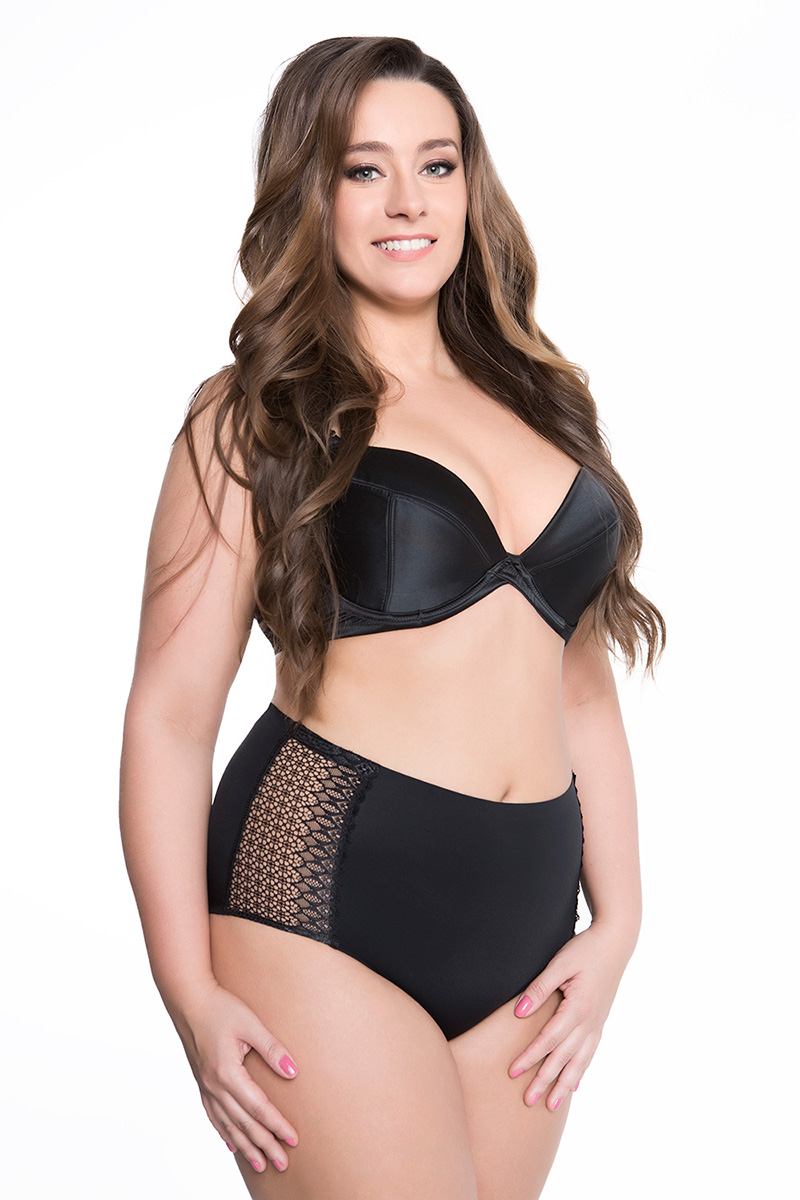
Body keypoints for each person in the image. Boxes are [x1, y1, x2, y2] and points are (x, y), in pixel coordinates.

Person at [119, 35, 665, 1200]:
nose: (407, 201)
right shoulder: (253, 416)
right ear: (308, 192)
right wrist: (188, 992)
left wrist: (618, 920)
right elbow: (169, 716)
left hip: (527, 919)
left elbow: (576, 685)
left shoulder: (542, 401)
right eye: (362, 169)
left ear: (471, 184)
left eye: (436, 164)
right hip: (320, 893)